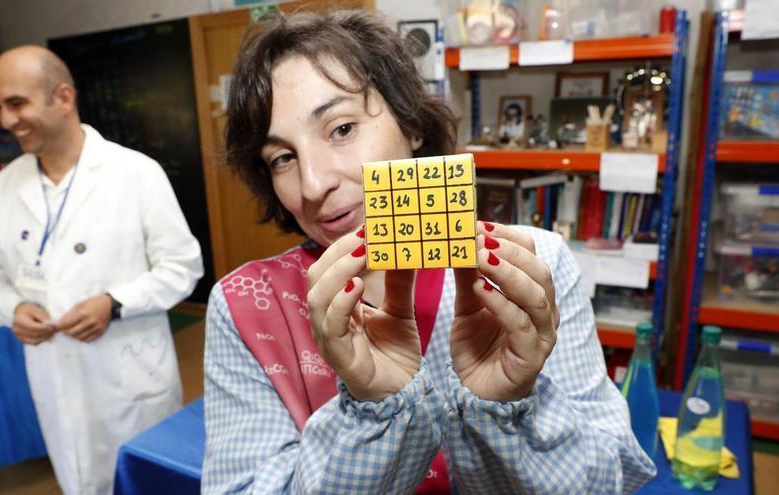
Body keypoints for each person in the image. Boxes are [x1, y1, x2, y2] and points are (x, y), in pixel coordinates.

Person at [202, 10, 655, 494]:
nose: (312, 185)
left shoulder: (528, 267)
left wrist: (517, 404)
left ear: (411, 125)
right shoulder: (245, 305)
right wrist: (370, 408)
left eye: (341, 129)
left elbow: (611, 477)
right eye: (283, 158)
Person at [0, 46, 204, 495]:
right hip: (55, 375)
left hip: (128, 377)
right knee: (79, 482)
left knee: (142, 484)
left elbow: (183, 266)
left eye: (17, 103)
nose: (5, 121)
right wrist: (14, 306)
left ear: (63, 98)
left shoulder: (135, 173)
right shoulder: (5, 187)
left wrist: (114, 303)